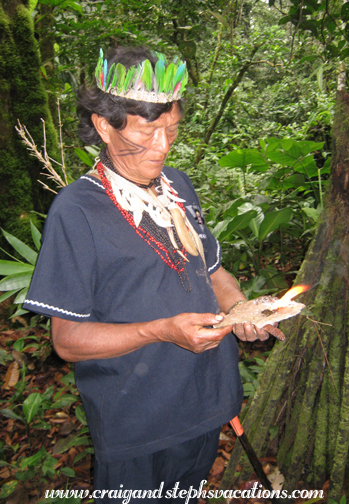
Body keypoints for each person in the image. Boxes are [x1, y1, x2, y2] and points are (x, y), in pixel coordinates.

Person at [23, 46, 271, 503]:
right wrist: (161, 331)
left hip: (205, 402)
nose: (163, 146)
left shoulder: (178, 186)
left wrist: (240, 309)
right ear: (103, 125)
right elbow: (67, 341)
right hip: (137, 420)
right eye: (148, 130)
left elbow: (213, 273)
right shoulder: (77, 211)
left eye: (172, 130)